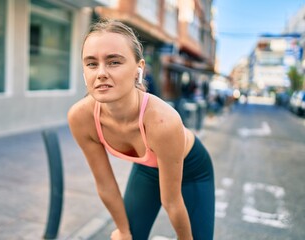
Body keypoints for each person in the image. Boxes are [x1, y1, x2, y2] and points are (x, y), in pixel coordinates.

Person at [68, 19, 215, 240]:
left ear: (139, 69)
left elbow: (172, 203)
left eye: (114, 62)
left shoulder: (163, 121)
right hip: (148, 169)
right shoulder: (81, 117)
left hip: (193, 170)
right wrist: (125, 232)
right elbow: (106, 185)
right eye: (91, 63)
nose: (101, 73)